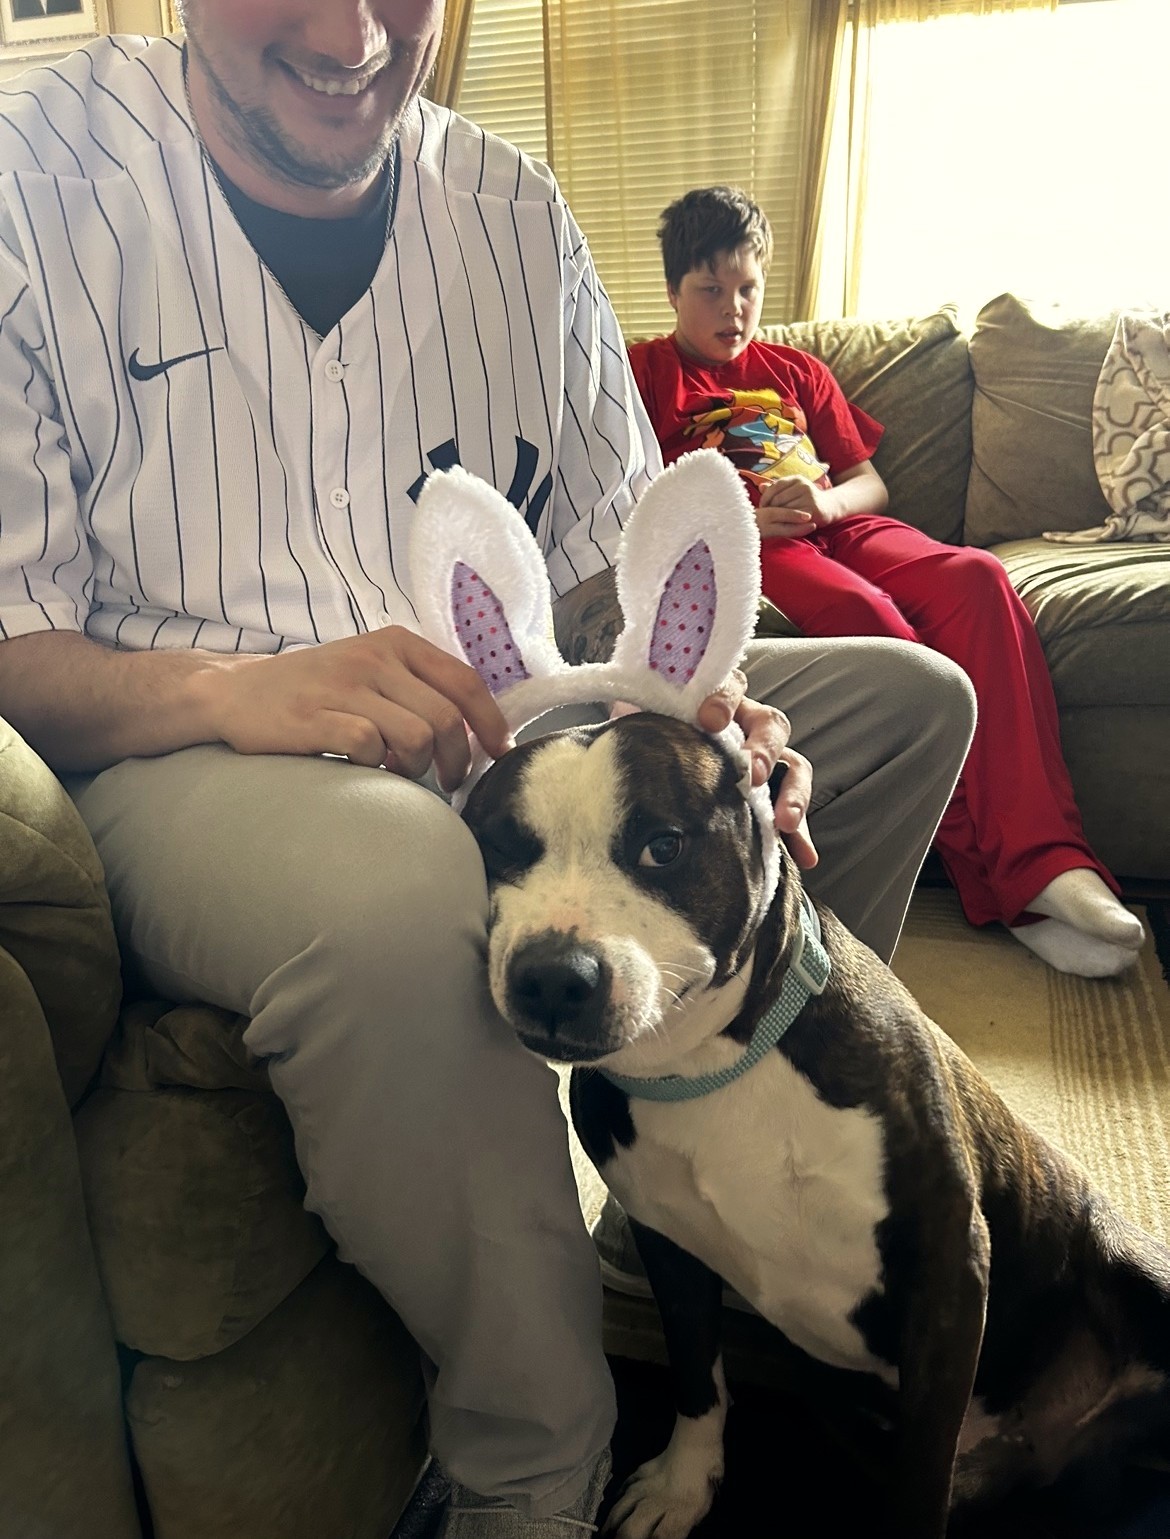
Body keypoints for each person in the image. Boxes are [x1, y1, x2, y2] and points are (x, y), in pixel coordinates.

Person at [0, 12, 976, 1536]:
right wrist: (237, 691)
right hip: (178, 741)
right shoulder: (31, 177)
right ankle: (531, 1468)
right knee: (403, 878)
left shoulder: (512, 210)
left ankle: (709, 1171)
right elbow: (8, 638)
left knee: (907, 701)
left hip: (509, 724)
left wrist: (719, 711)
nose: (349, 31)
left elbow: (605, 578)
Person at [629, 184, 1145, 981]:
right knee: (863, 613)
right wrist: (737, 520)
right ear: (671, 292)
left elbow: (870, 479)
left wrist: (827, 498)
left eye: (748, 289)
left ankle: (1047, 862)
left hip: (846, 524)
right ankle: (1002, 883)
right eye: (710, 290)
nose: (733, 309)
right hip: (755, 548)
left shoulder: (798, 370)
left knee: (976, 577)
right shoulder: (645, 373)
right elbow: (636, 500)